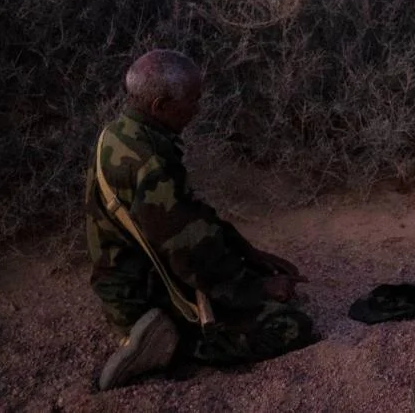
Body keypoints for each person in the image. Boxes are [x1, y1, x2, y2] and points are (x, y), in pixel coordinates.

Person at [87, 49, 315, 391]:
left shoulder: (121, 133)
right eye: (192, 100)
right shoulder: (150, 165)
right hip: (145, 299)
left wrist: (245, 251)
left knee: (253, 277)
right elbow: (190, 254)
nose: (197, 108)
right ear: (160, 106)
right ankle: (170, 347)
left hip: (134, 277)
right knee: (292, 325)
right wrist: (254, 287)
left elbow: (186, 216)